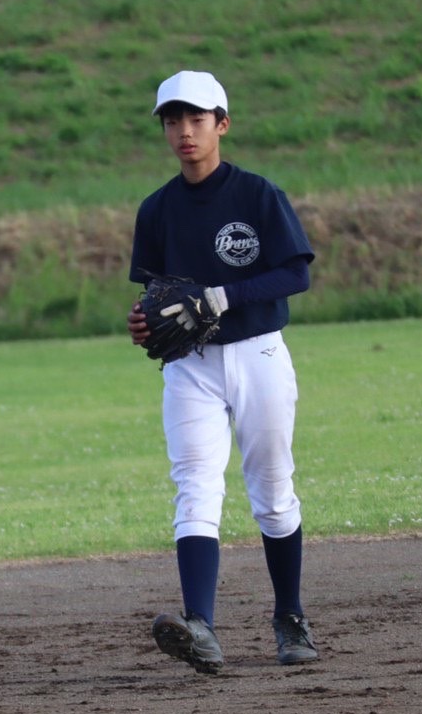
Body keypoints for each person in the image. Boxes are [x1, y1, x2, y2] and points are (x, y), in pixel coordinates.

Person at [127, 70, 319, 673]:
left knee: (272, 491)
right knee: (195, 487)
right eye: (172, 121)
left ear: (222, 124)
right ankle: (200, 627)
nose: (184, 132)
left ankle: (289, 618)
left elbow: (296, 274)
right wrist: (142, 323)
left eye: (196, 119)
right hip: (191, 368)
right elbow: (158, 295)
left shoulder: (258, 196)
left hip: (258, 353)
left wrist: (223, 297)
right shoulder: (157, 210)